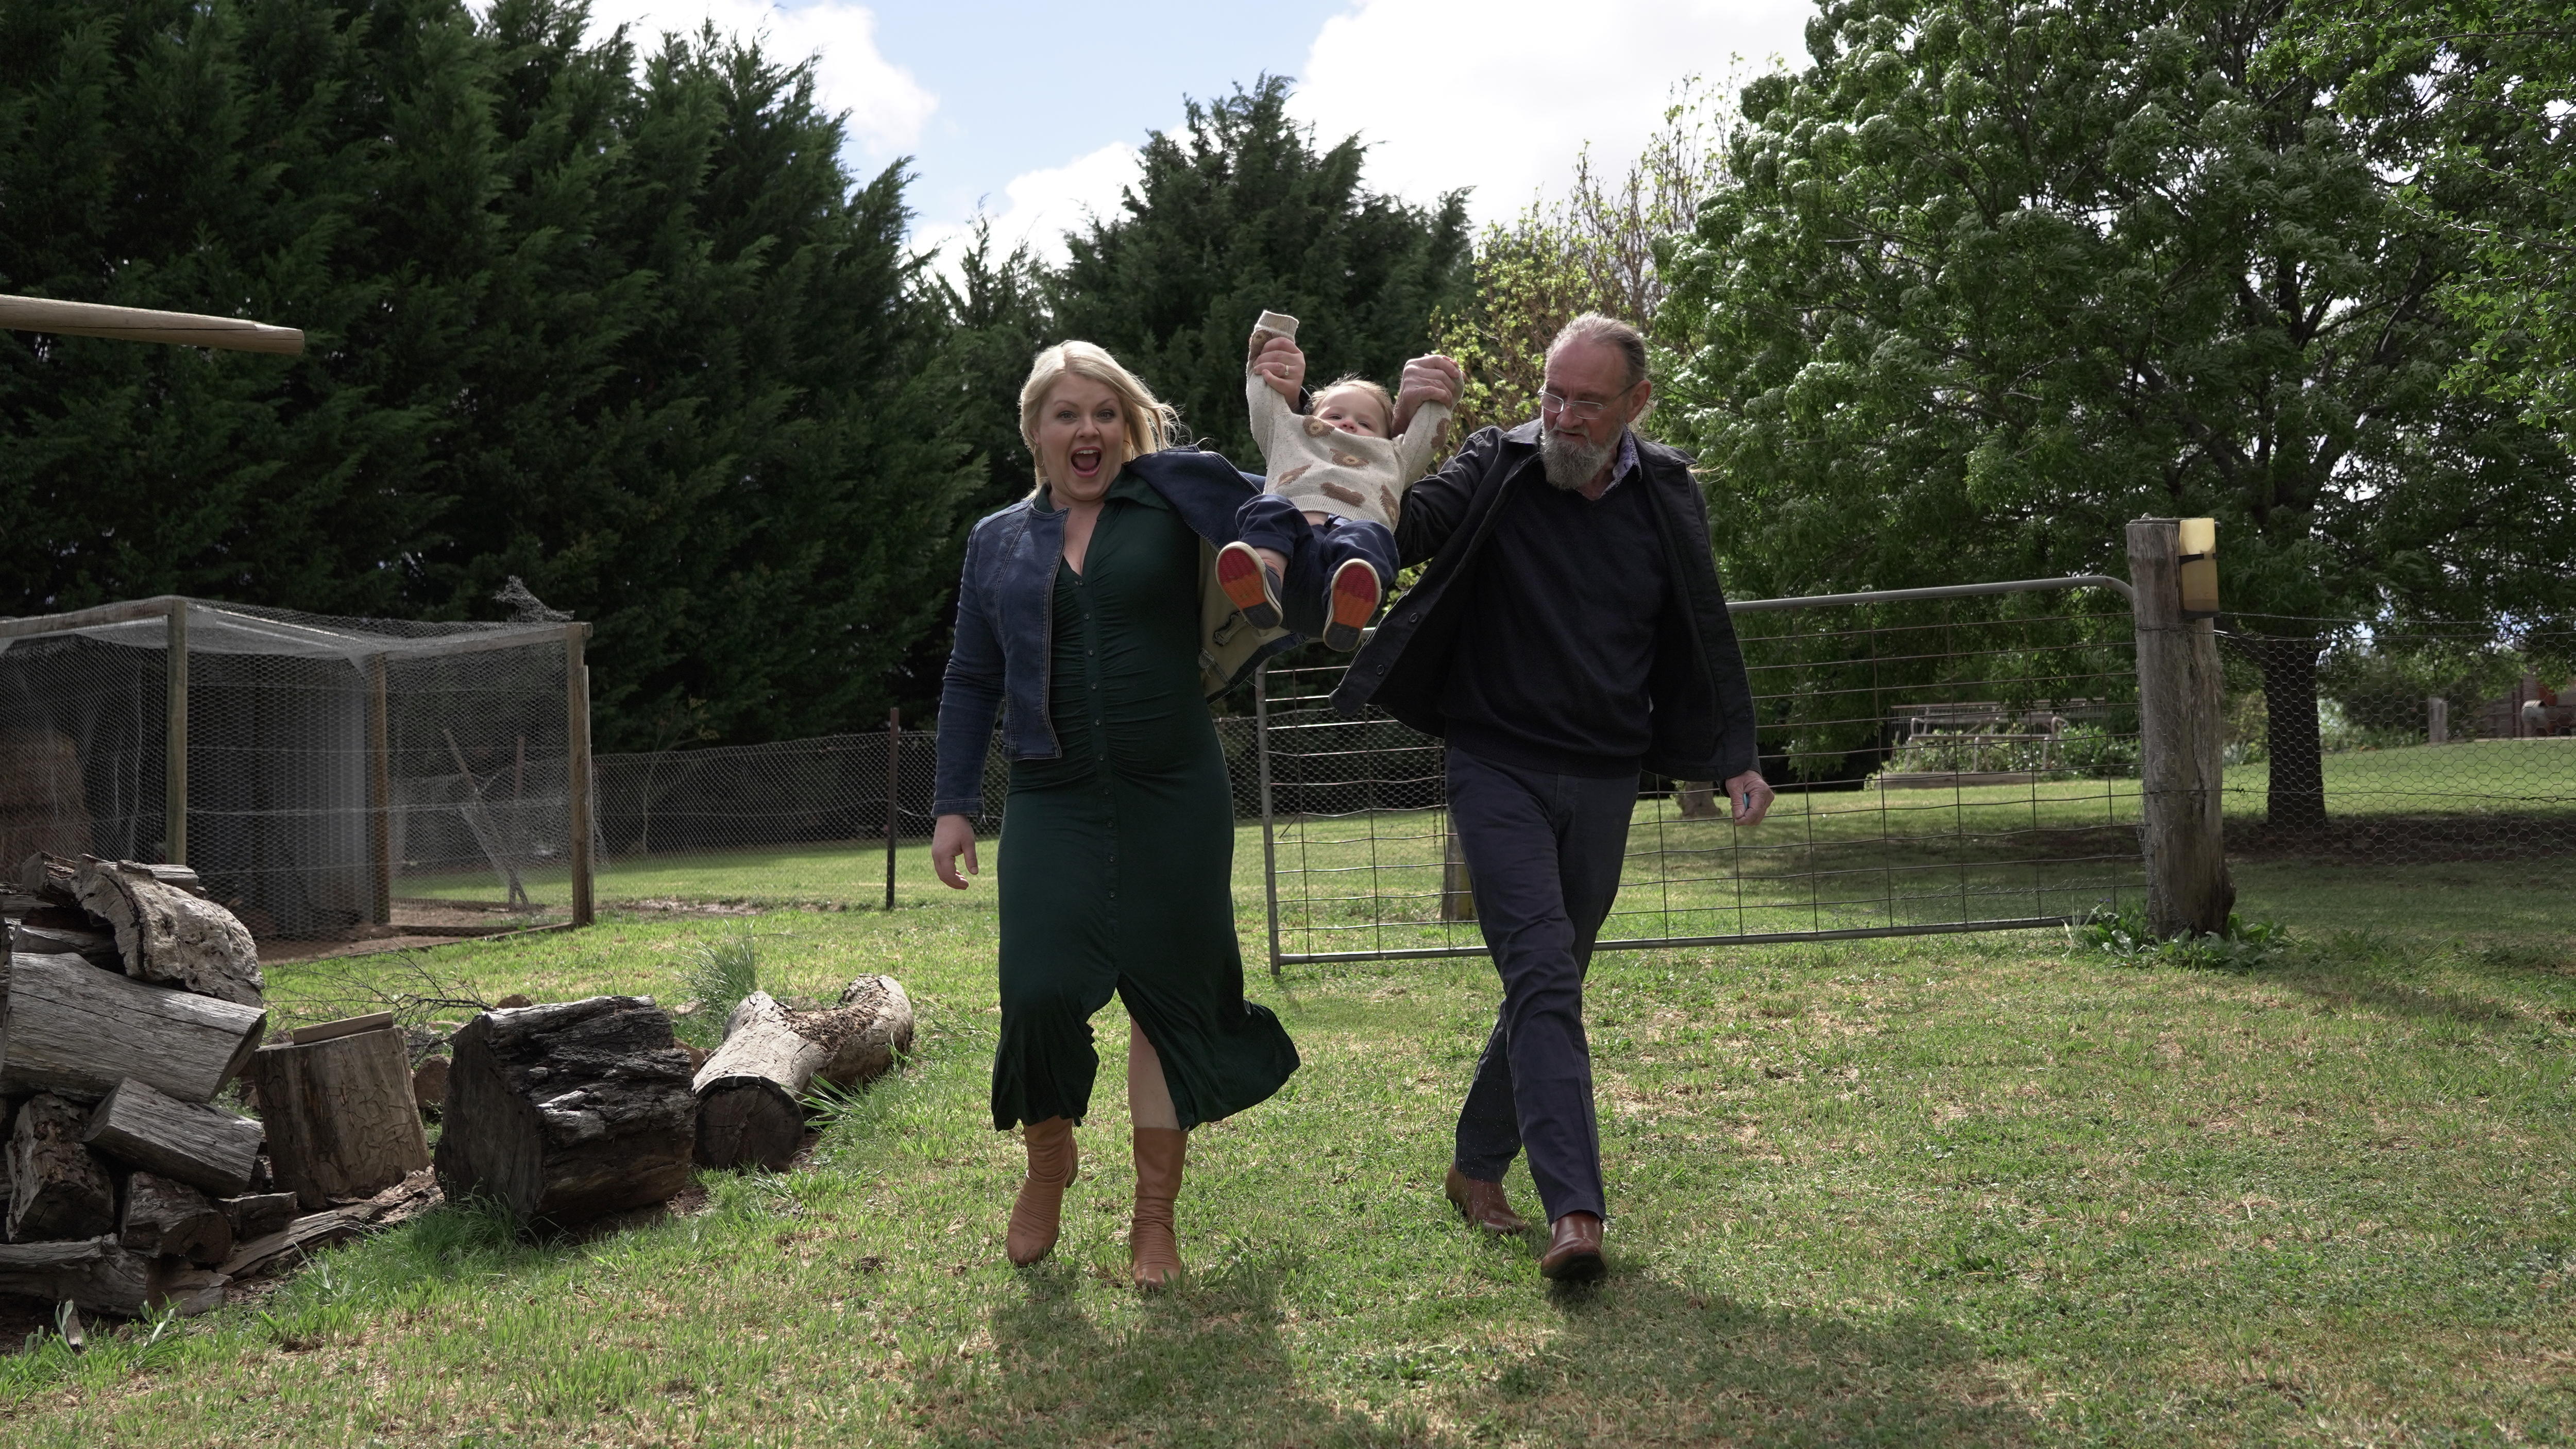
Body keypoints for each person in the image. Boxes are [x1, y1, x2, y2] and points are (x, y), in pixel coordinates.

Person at [1336, 314, 1773, 1284]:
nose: (1565, 418)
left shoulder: (1665, 491)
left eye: (1588, 402)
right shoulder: (1498, 463)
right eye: (1553, 395)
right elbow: (1400, 528)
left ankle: (1474, 1164)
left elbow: (1703, 622)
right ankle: (1575, 1210)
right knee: (1541, 973)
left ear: (1637, 404)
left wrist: (1734, 752)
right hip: (1496, 767)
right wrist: (1401, 427)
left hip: (1609, 776)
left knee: (1552, 981)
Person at [930, 341, 1301, 1290]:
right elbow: (972, 676)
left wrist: (1283, 391)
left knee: (1167, 997)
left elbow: (1291, 492)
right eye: (1067, 414)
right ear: (1036, 433)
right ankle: (1048, 1166)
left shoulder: (1181, 501)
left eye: (1103, 411)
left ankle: (1153, 1221)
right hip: (1052, 794)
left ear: (1128, 423)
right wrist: (954, 804)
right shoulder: (997, 541)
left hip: (1174, 788)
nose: (1086, 429)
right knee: (1041, 989)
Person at [1216, 310, 1453, 650]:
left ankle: (1348, 600)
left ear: (1388, 437)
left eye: (1366, 422)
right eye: (1336, 415)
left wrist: (1441, 389)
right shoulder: (1290, 435)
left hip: (1337, 572)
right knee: (1269, 506)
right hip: (1289, 563)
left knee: (1370, 534)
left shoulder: (1393, 458)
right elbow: (1264, 396)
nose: (1349, 424)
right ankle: (1263, 576)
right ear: (1309, 418)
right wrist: (1272, 338)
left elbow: (1429, 434)